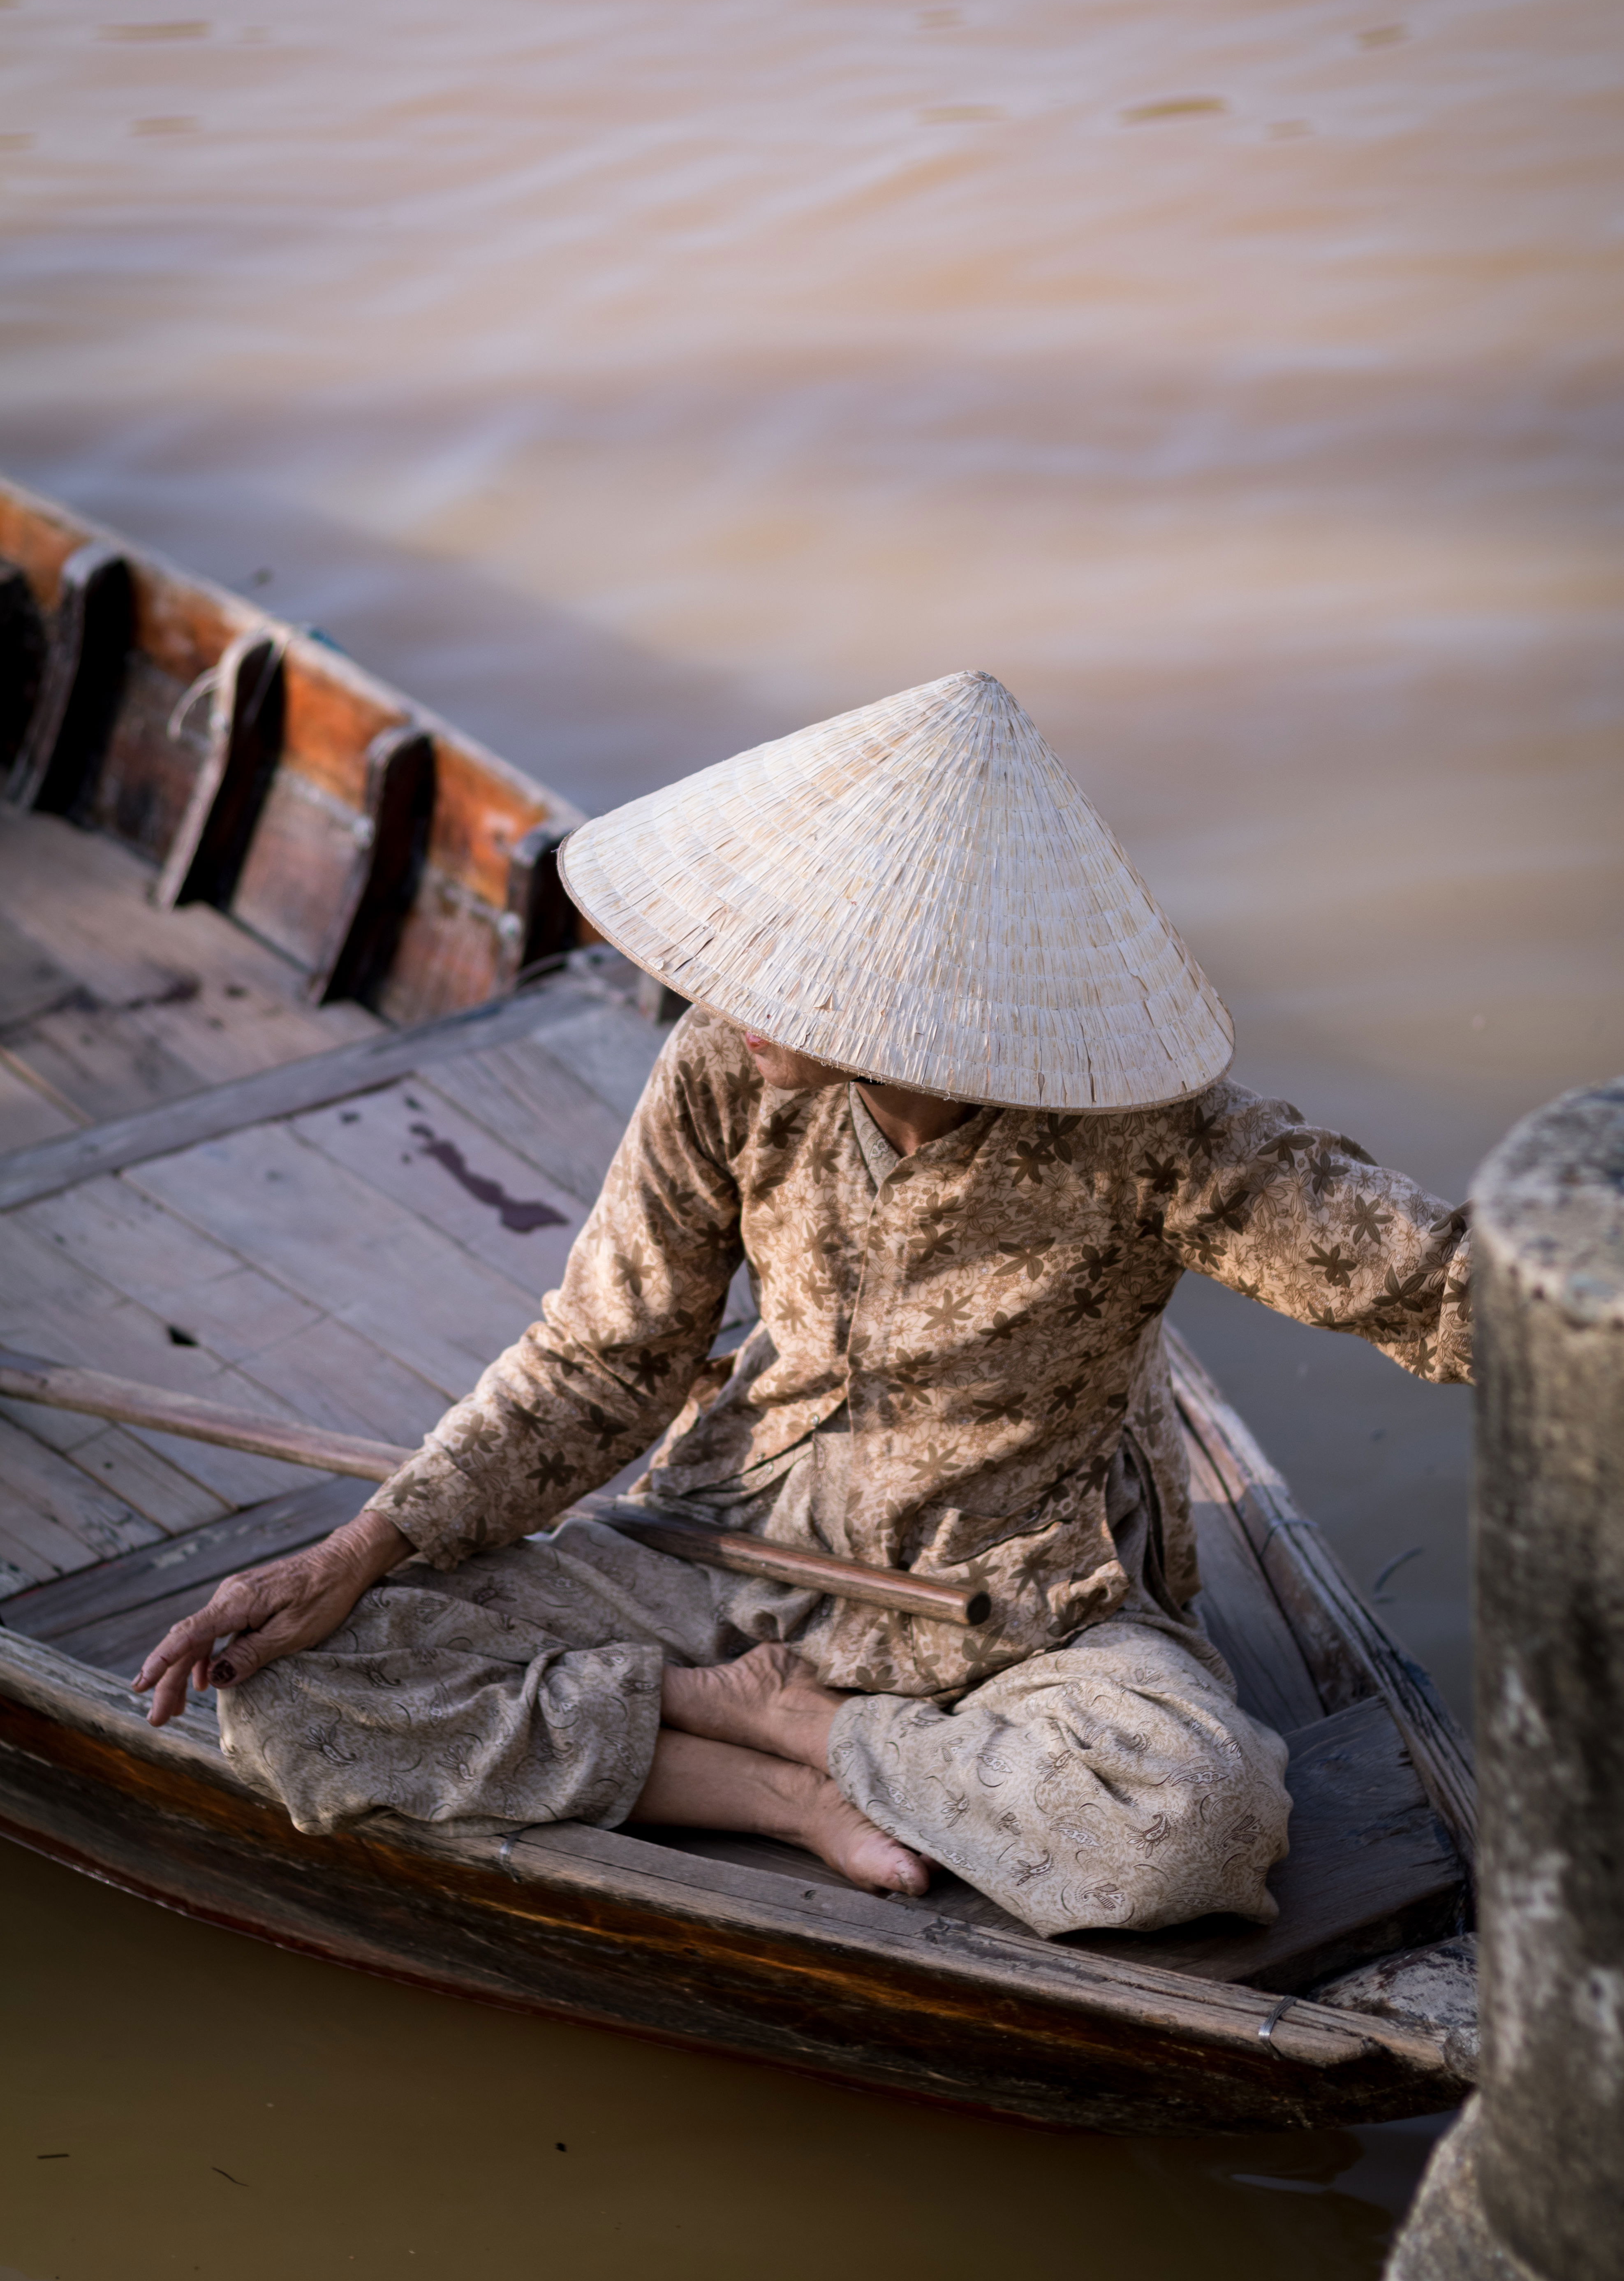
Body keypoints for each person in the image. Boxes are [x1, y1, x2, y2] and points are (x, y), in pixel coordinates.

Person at [135, 672, 1471, 1940]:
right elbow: (605, 1359)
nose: (741, 986)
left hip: (1010, 1613)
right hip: (728, 1550)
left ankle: (818, 1739)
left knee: (1196, 1825)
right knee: (295, 1686)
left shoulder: (1157, 1138)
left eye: (802, 964)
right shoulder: (725, 1065)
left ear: (925, 992)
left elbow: (1440, 1286)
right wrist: (361, 1550)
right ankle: (765, 1770)